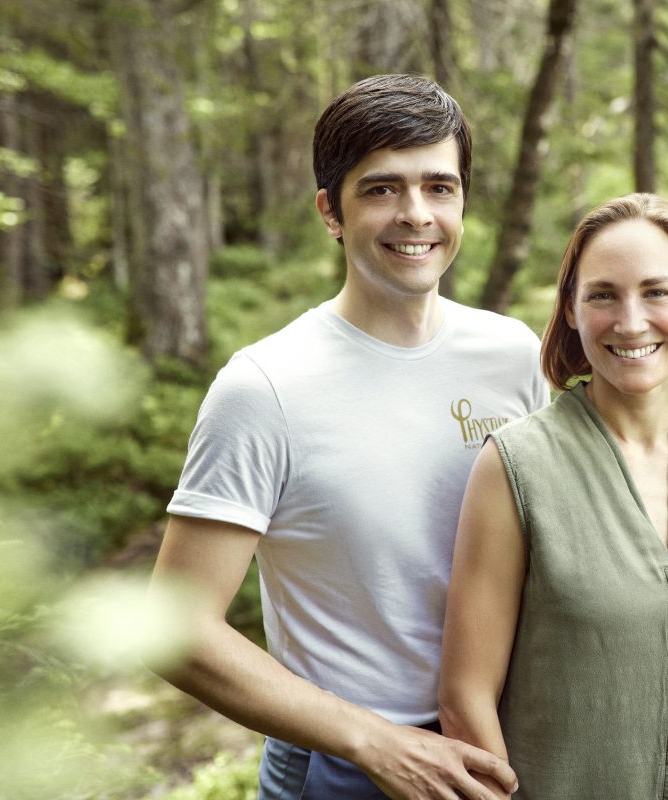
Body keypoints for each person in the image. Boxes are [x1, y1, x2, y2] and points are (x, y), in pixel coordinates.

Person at [145, 74, 548, 800]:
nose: (416, 214)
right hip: (348, 770)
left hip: (507, 750)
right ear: (330, 210)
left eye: (439, 186)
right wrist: (371, 742)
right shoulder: (265, 387)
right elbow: (175, 628)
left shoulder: (515, 354)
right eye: (382, 189)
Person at [438, 193, 668, 799]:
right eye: (603, 294)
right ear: (572, 312)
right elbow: (465, 696)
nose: (630, 321)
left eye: (657, 292)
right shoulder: (516, 465)